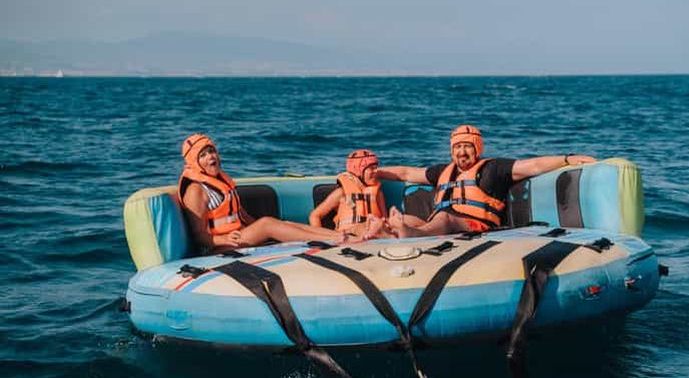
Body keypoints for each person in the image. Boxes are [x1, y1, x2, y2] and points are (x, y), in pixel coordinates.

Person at [377, 124, 597, 238]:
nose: (462, 153)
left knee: (444, 218)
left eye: (467, 147)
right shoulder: (442, 171)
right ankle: (390, 231)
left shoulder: (494, 169)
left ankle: (410, 234)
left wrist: (567, 159)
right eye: (457, 148)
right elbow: (406, 173)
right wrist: (373, 172)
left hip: (476, 225)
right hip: (439, 223)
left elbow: (534, 166)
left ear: (477, 149)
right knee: (410, 218)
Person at [178, 133, 343, 253]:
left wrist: (266, 232)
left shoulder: (221, 181)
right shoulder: (195, 190)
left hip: (237, 237)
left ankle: (341, 236)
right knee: (267, 224)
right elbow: (198, 236)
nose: (210, 156)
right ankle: (335, 240)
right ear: (194, 162)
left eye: (211, 151)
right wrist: (223, 239)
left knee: (284, 224)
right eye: (203, 155)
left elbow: (241, 215)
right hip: (217, 248)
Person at [309, 149, 394, 239]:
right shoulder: (341, 193)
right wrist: (321, 238)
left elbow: (384, 219)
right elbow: (315, 216)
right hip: (348, 235)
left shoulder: (378, 193)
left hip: (374, 235)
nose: (376, 171)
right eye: (371, 168)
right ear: (358, 171)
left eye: (376, 167)